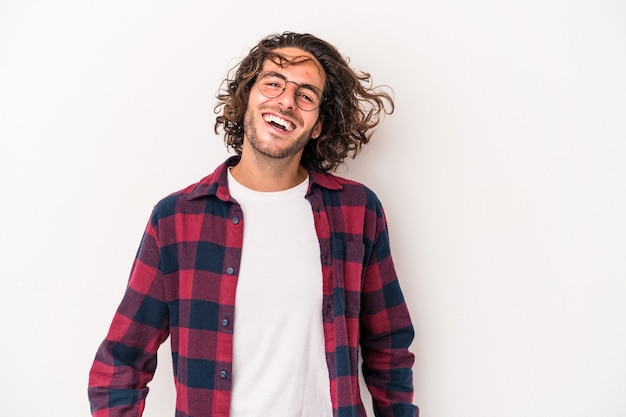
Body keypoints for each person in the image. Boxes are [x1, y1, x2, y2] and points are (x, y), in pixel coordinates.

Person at [88, 31, 418, 417]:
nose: (286, 101)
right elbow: (121, 361)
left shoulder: (357, 211)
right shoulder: (177, 219)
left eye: (306, 95)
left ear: (319, 126)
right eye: (273, 83)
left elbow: (390, 349)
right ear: (246, 96)